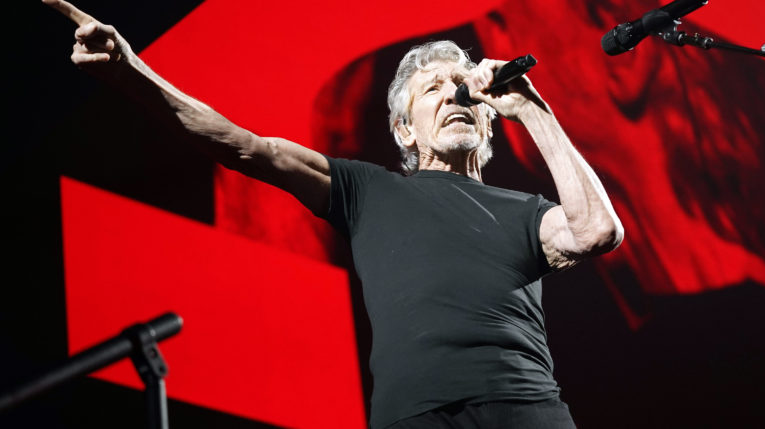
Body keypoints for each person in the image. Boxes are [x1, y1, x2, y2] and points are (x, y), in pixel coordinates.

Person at [45, 0, 624, 427]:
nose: (455, 97)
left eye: (464, 89)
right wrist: (132, 74)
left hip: (524, 410)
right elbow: (245, 145)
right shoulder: (366, 189)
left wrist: (533, 108)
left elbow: (597, 230)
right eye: (433, 91)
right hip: (412, 417)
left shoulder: (527, 212)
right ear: (403, 128)